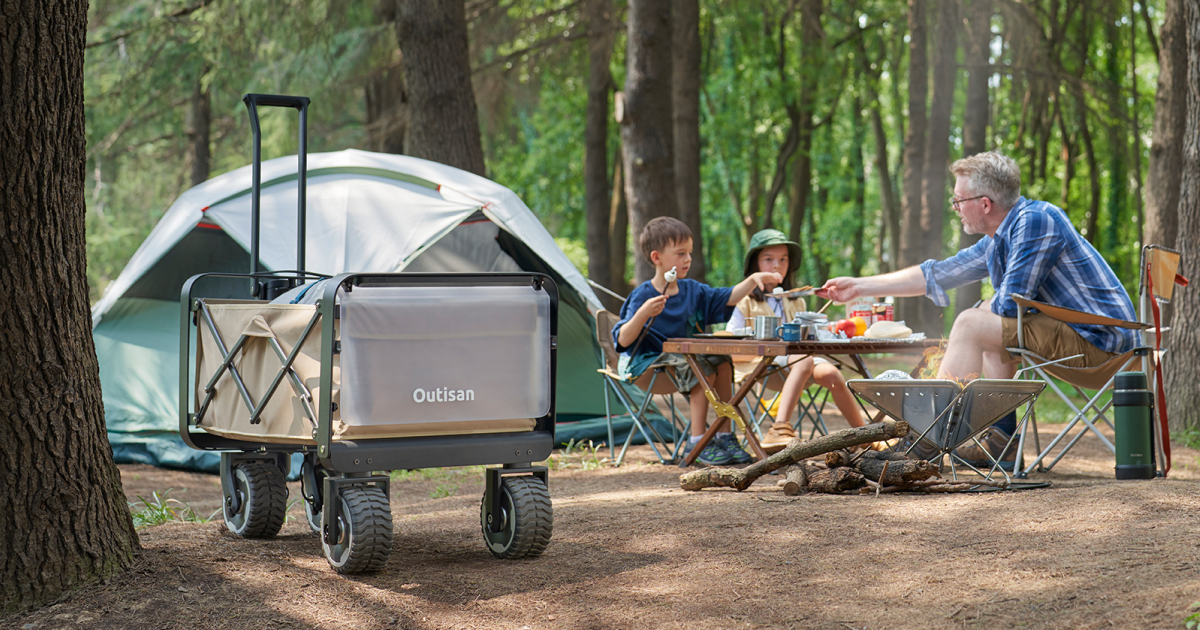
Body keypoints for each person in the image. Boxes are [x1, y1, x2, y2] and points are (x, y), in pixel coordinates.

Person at [817, 151, 1138, 467]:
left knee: (974, 323)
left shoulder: (1036, 220)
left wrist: (981, 310)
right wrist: (860, 286)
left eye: (958, 200)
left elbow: (1011, 302)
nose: (955, 208)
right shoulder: (998, 238)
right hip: (1078, 337)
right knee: (985, 323)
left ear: (984, 204)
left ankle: (924, 442)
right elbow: (937, 273)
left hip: (1102, 344)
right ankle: (1002, 441)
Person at [613, 217, 782, 467]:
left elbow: (729, 297)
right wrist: (643, 314)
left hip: (686, 362)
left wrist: (753, 279)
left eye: (689, 253)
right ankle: (698, 440)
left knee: (721, 361)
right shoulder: (642, 296)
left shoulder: (693, 290)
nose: (688, 259)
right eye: (680, 253)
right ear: (657, 258)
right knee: (700, 367)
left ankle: (725, 436)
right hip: (648, 367)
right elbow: (623, 339)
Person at [727, 230, 865, 452]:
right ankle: (779, 428)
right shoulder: (745, 302)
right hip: (762, 365)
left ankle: (864, 436)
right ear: (755, 265)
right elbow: (732, 343)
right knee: (803, 359)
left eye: (783, 259)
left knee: (831, 374)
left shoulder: (797, 301)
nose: (776, 265)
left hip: (798, 366)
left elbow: (807, 338)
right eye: (768, 259)